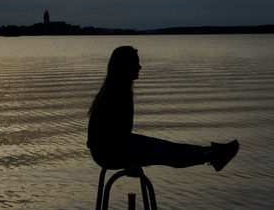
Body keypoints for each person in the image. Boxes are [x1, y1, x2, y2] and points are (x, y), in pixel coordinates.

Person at [87, 46, 239, 171]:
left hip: (114, 146)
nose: (140, 67)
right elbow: (118, 135)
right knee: (165, 153)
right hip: (109, 153)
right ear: (125, 66)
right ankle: (212, 156)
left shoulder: (117, 89)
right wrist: (130, 161)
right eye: (136, 63)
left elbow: (120, 134)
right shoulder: (117, 93)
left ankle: (210, 151)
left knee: (166, 145)